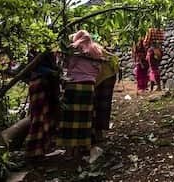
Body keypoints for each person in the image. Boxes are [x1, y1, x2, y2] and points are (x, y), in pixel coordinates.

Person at [57, 30, 103, 159]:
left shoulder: (72, 49)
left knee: (69, 119)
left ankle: (69, 150)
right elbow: (98, 69)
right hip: (89, 87)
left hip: (73, 86)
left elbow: (65, 65)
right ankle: (79, 148)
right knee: (84, 119)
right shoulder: (97, 50)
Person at [25, 52, 60, 158]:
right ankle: (35, 151)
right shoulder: (40, 50)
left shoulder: (44, 50)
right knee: (39, 118)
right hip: (41, 84)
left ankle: (41, 149)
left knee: (43, 117)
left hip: (42, 84)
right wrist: (53, 72)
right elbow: (36, 67)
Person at [93, 49, 119, 143]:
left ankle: (98, 132)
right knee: (102, 105)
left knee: (100, 105)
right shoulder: (94, 49)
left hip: (106, 75)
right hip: (108, 74)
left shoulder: (86, 50)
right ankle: (97, 132)